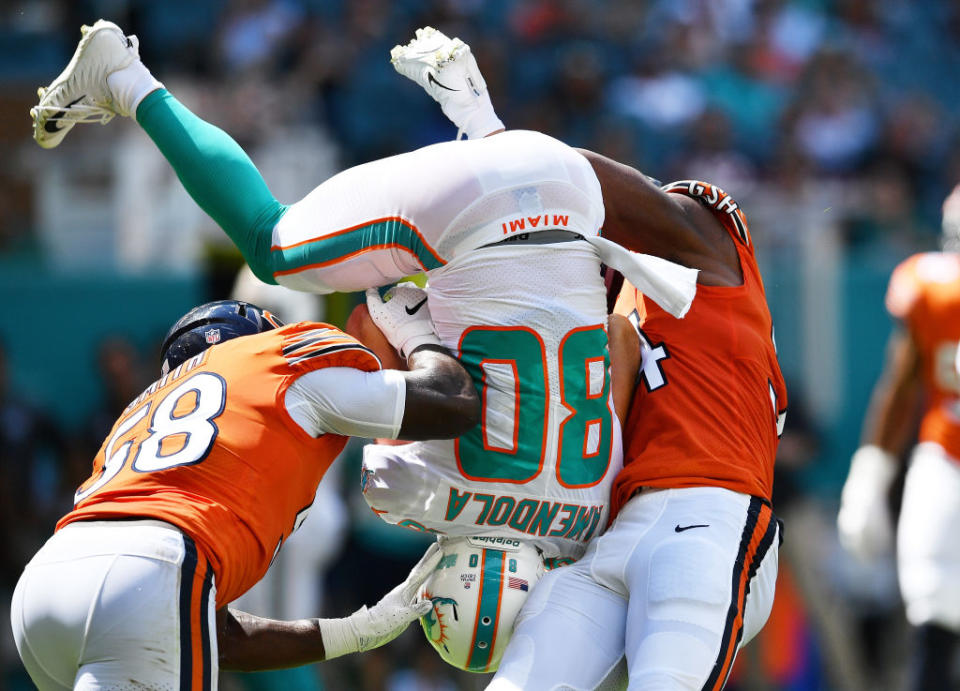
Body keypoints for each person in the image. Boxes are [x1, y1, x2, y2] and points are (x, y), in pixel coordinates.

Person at [29, 20, 697, 568]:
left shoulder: (590, 519)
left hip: (566, 183)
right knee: (271, 245)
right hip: (462, 213)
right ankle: (124, 76)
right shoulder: (405, 496)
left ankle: (480, 117)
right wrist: (411, 323)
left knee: (509, 267)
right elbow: (369, 327)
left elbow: (618, 339)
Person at [389, 27, 787, 689]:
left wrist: (485, 129)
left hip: (712, 517)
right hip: (613, 535)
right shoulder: (620, 306)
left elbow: (575, 183)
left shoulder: (717, 259)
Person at [10, 296, 480, 689]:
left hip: (45, 587)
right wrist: (414, 329)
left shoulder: (138, 413)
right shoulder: (271, 361)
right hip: (152, 572)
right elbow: (452, 403)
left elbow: (214, 634)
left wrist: (354, 632)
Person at [838, 185, 960, 691]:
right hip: (947, 453)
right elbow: (903, 382)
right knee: (934, 604)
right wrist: (871, 474)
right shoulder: (932, 290)